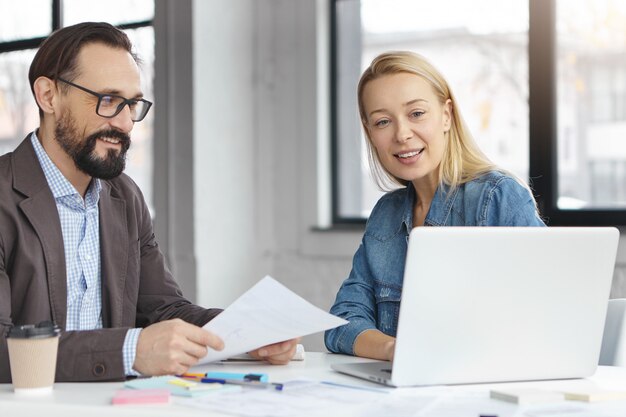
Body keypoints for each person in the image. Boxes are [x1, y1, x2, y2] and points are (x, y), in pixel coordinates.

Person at [0, 22, 298, 383]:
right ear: (48, 96)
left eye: (133, 104)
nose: (126, 123)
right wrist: (130, 350)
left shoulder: (124, 196)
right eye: (108, 101)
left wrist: (242, 333)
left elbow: (163, 309)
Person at [324, 51, 545, 361]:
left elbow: (546, 318)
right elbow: (342, 322)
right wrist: (393, 349)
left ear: (446, 115)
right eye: (383, 121)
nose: (401, 134)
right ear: (370, 132)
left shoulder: (496, 198)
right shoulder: (385, 216)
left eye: (416, 113)